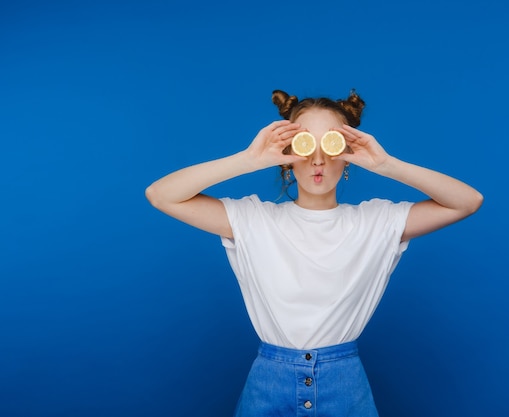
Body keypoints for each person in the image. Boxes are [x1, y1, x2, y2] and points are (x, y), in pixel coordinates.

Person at [145, 89, 483, 417]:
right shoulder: (252, 220)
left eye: (330, 144)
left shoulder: (377, 222)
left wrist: (386, 164)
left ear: (348, 153)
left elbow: (468, 201)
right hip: (267, 387)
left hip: (346, 388)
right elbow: (161, 194)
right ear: (288, 157)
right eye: (304, 144)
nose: (318, 158)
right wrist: (248, 160)